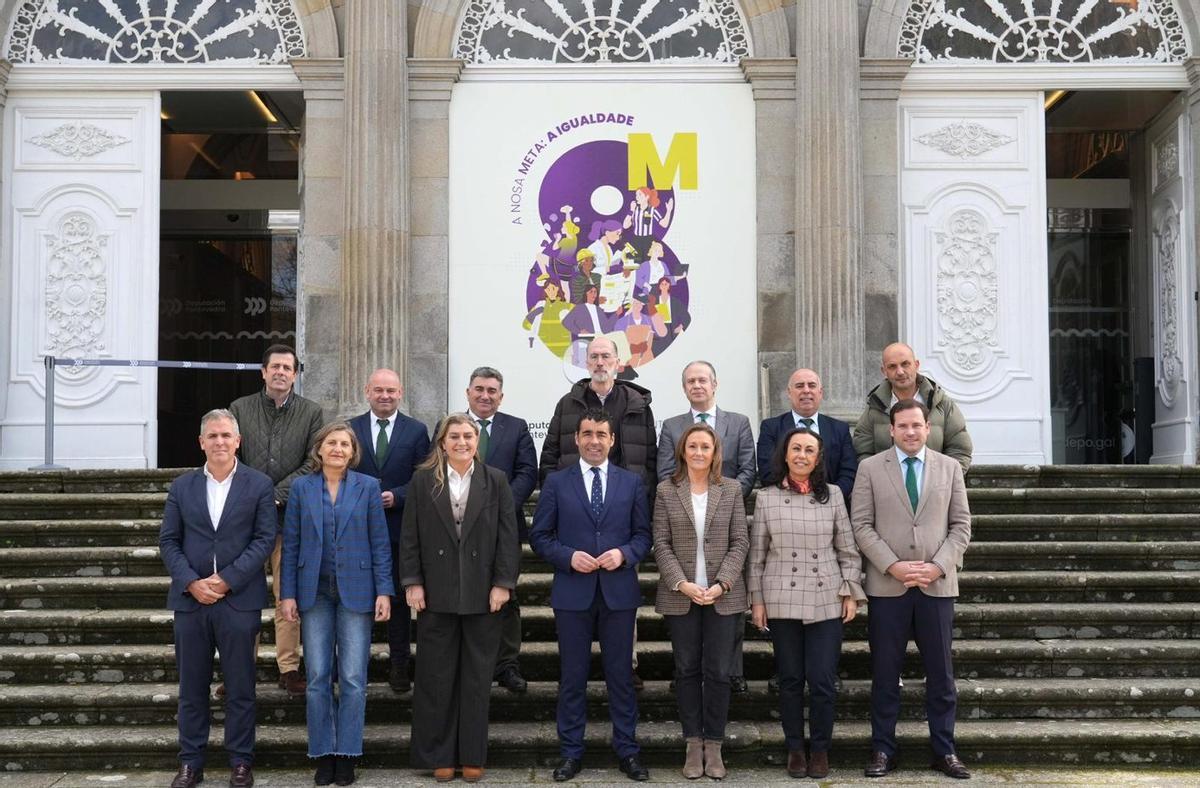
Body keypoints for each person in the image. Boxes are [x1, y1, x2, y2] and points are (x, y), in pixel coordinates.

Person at [851, 400, 972, 780]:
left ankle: (944, 750)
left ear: (927, 427)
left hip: (936, 587)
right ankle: (883, 750)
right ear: (891, 429)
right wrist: (894, 565)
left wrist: (937, 566)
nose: (910, 432)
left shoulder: (950, 468)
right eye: (902, 426)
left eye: (916, 425)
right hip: (889, 587)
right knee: (886, 674)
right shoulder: (870, 469)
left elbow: (961, 526)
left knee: (941, 675)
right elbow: (862, 525)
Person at [530, 409, 652, 783]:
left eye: (602, 434)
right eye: (587, 434)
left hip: (618, 593)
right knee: (572, 677)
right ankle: (570, 753)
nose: (594, 440)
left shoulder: (632, 484)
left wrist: (624, 555)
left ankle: (627, 751)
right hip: (573, 594)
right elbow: (540, 536)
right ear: (576, 439)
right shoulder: (555, 483)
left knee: (621, 676)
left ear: (612, 440)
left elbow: (643, 537)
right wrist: (567, 557)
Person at [399, 414, 520, 783]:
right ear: (442, 442)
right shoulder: (423, 482)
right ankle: (439, 755)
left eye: (468, 435)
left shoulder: (495, 480)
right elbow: (410, 537)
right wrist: (412, 582)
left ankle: (471, 754)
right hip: (436, 592)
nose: (462, 442)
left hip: (484, 594)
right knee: (436, 677)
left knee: (476, 678)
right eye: (454, 436)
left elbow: (508, 537)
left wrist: (503, 583)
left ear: (477, 440)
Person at [159, 409, 276, 788]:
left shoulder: (259, 485)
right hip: (191, 602)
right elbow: (169, 542)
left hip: (238, 601)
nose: (220, 442)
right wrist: (192, 582)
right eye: (213, 436)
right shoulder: (182, 487)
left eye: (227, 435)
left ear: (238, 441)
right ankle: (190, 763)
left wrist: (225, 580)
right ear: (202, 442)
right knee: (191, 689)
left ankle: (241, 761)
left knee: (241, 688)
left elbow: (263, 541)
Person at [540, 335, 657, 688]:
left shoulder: (637, 402)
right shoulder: (569, 402)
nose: (601, 362)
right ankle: (580, 666)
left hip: (622, 513)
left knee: (621, 595)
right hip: (577, 511)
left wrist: (641, 503)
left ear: (619, 363)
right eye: (594, 357)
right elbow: (549, 455)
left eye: (607, 356)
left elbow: (650, 459)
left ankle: (626, 662)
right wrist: (559, 496)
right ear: (586, 363)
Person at [279, 423, 393, 787]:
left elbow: (379, 542)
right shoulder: (301, 488)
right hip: (314, 593)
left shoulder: (368, 487)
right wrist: (288, 595)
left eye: (345, 444)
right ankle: (323, 752)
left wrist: (384, 591)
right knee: (316, 678)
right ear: (319, 448)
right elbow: (291, 544)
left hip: (357, 590)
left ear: (352, 451)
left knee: (354, 678)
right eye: (332, 443)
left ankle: (347, 754)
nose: (338, 449)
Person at [748, 427, 865, 780]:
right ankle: (795, 748)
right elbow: (756, 557)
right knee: (790, 679)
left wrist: (850, 591)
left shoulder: (832, 495)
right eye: (795, 448)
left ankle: (821, 750)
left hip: (825, 596)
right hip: (782, 596)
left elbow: (848, 550)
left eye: (808, 450)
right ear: (785, 455)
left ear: (818, 459)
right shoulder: (766, 498)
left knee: (823, 679)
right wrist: (756, 601)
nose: (801, 455)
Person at [652, 423, 748, 780]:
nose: (698, 452)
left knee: (719, 671)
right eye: (692, 446)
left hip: (724, 595)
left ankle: (715, 745)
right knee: (687, 669)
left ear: (715, 452)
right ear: (682, 451)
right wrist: (681, 583)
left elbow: (740, 541)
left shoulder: (732, 489)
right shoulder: (666, 490)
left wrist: (722, 583)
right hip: (683, 596)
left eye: (704, 447)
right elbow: (660, 543)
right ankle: (693, 743)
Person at [229, 343, 324, 697]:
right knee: (243, 598)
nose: (281, 373)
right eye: (276, 367)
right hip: (246, 523)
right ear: (264, 372)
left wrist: (273, 493)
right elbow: (231, 454)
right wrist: (255, 495)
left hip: (290, 520)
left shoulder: (312, 413)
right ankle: (240, 669)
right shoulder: (240, 409)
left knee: (288, 597)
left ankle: (288, 667)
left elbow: (314, 461)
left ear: (296, 374)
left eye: (288, 368)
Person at [656, 360, 756, 693]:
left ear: (714, 384)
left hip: (727, 515)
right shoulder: (671, 426)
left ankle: (733, 673)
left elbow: (747, 469)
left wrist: (723, 501)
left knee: (729, 612)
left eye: (702, 380)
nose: (697, 385)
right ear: (684, 387)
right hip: (685, 515)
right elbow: (665, 472)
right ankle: (687, 675)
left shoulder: (739, 423)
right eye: (690, 381)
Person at [348, 369, 430, 694]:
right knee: (357, 601)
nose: (385, 396)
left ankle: (399, 665)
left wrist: (396, 496)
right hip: (356, 531)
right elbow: (341, 472)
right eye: (379, 390)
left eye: (391, 391)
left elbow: (423, 479)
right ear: (367, 390)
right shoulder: (350, 428)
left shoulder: (416, 431)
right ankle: (355, 667)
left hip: (399, 530)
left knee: (396, 601)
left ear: (400, 393)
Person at [457, 366, 538, 693]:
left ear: (501, 396)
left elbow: (527, 472)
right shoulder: (451, 428)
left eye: (492, 391)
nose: (485, 396)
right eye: (479, 389)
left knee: (507, 596)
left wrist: (502, 507)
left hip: (504, 529)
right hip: (458, 531)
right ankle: (469, 663)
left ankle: (506, 665)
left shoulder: (516, 428)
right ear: (468, 392)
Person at [853, 343, 973, 472]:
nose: (900, 372)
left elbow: (960, 450)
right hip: (888, 489)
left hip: (936, 488)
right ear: (884, 371)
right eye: (892, 366)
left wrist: (944, 482)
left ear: (916, 365)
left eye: (905, 364)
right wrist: (880, 481)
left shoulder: (941, 403)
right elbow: (862, 452)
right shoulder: (875, 407)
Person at [757, 368, 857, 501]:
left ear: (820, 393)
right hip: (786, 504)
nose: (806, 390)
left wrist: (830, 498)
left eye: (812, 385)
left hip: (829, 505)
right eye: (799, 386)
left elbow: (849, 472)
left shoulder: (840, 429)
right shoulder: (770, 427)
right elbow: (767, 470)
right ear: (789, 393)